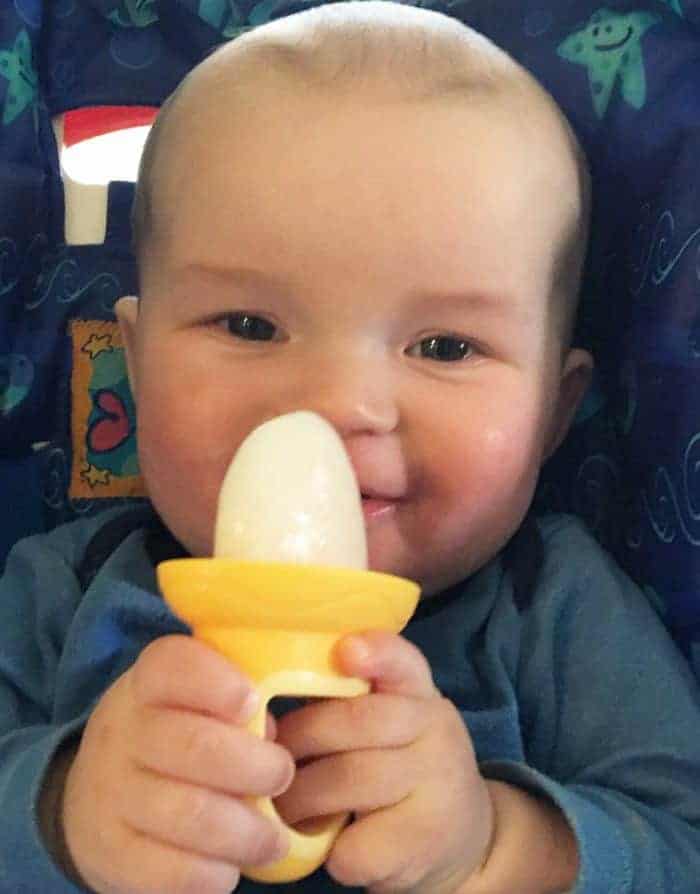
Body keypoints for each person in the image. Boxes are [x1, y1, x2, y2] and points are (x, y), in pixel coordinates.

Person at [2, 3, 699, 892]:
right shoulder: (59, 594)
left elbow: (681, 849)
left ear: (553, 414)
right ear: (134, 370)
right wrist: (61, 814)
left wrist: (498, 847)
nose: (335, 407)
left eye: (445, 347)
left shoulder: (557, 617)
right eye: (249, 325)